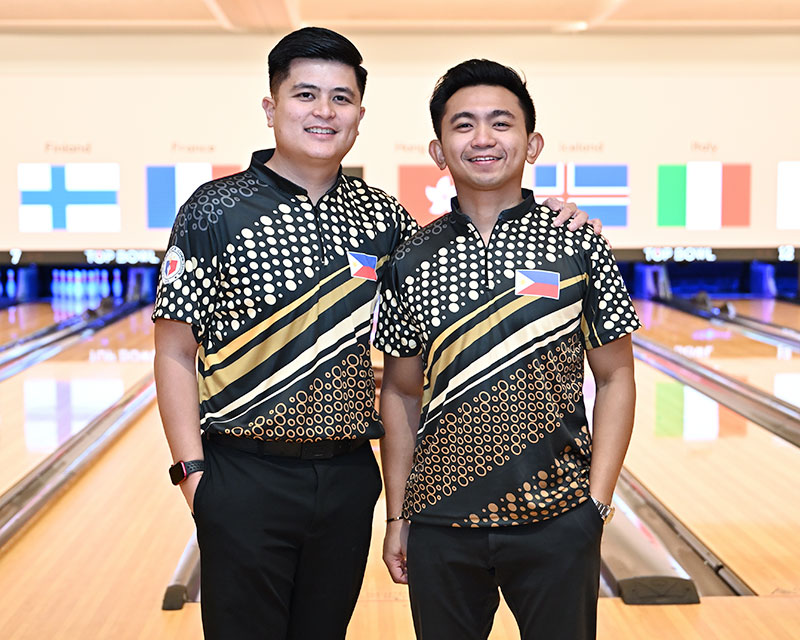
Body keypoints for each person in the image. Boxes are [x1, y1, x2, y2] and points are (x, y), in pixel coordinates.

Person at [152, 28, 595, 640]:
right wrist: (193, 475)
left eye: (341, 98)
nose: (324, 111)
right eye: (306, 94)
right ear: (271, 107)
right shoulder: (213, 209)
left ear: (359, 115)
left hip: (347, 476)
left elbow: (466, 258)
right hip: (242, 473)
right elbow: (174, 350)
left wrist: (560, 221)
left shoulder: (383, 218)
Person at [375, 59, 640, 640]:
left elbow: (616, 377)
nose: (483, 138)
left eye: (501, 122)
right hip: (441, 521)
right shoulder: (410, 258)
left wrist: (595, 504)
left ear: (532, 143)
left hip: (557, 518)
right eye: (463, 124)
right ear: (438, 151)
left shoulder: (579, 244)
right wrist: (398, 516)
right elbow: (399, 391)